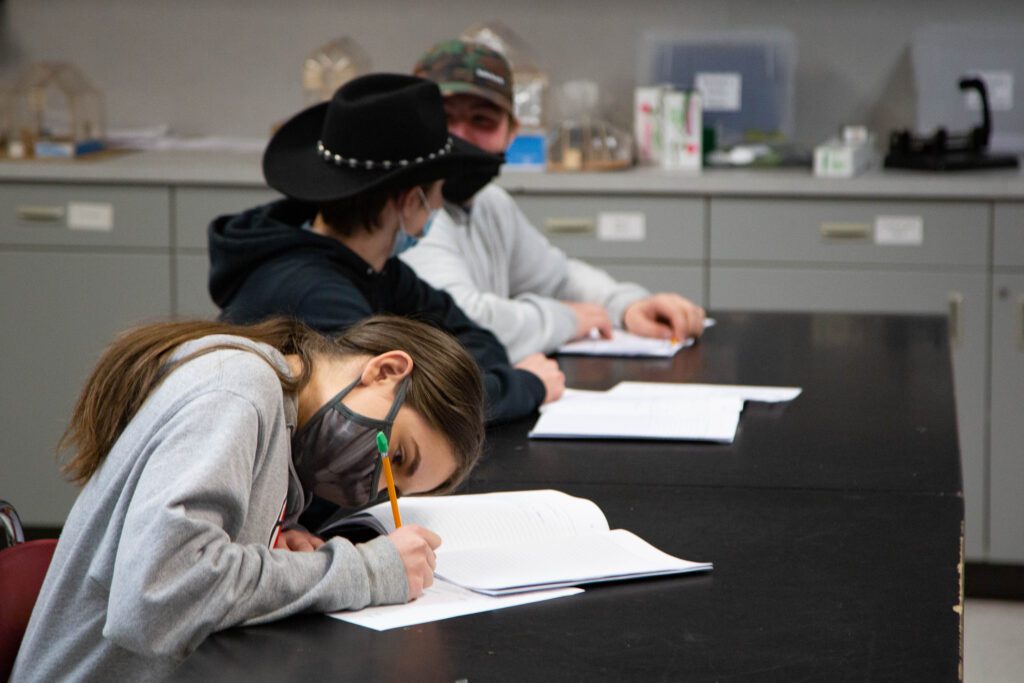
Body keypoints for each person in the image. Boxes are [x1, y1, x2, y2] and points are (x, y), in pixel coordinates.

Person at [12, 315, 485, 682]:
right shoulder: (237, 391)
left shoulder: (280, 427)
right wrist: (364, 571)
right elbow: (155, 599)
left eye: (395, 490)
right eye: (397, 455)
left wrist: (279, 545)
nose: (376, 488)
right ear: (386, 371)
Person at [208, 73, 564, 423]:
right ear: (412, 201)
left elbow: (474, 339)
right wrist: (526, 385)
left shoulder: (375, 269)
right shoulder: (313, 295)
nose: (439, 207)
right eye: (438, 192)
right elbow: (410, 408)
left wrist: (468, 380)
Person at [401, 40, 707, 363]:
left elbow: (559, 279)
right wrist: (568, 319)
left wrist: (627, 305)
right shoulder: (408, 211)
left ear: (512, 132)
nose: (460, 135)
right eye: (445, 118)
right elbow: (459, 325)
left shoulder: (491, 203)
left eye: (482, 120)